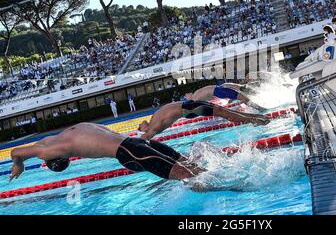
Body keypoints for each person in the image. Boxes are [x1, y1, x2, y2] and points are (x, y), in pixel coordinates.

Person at [9, 123, 204, 182]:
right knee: (193, 168)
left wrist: (19, 164)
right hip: (137, 143)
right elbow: (27, 149)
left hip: (129, 152)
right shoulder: (59, 136)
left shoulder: (51, 150)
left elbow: (16, 151)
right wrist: (20, 160)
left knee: (188, 177)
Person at [138, 100, 271, 140]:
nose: (139, 125)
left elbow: (144, 137)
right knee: (226, 113)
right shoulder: (153, 126)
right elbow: (145, 137)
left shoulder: (153, 123)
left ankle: (258, 119)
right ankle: (258, 120)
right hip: (190, 108)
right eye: (139, 128)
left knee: (227, 113)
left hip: (190, 106)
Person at [184, 84, 267, 112]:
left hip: (219, 91)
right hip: (219, 91)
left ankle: (260, 108)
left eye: (186, 96)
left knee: (244, 99)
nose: (186, 97)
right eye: (185, 97)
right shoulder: (195, 96)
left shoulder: (195, 96)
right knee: (244, 98)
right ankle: (260, 108)